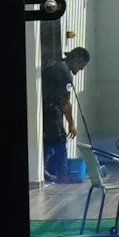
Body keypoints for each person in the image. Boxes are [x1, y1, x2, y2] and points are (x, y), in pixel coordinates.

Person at [40, 40, 91, 180]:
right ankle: (63, 173)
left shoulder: (58, 65)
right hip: (50, 109)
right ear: (75, 60)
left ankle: (44, 170)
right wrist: (71, 124)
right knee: (60, 139)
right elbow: (65, 103)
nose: (81, 69)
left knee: (49, 140)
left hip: (42, 108)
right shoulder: (64, 72)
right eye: (81, 65)